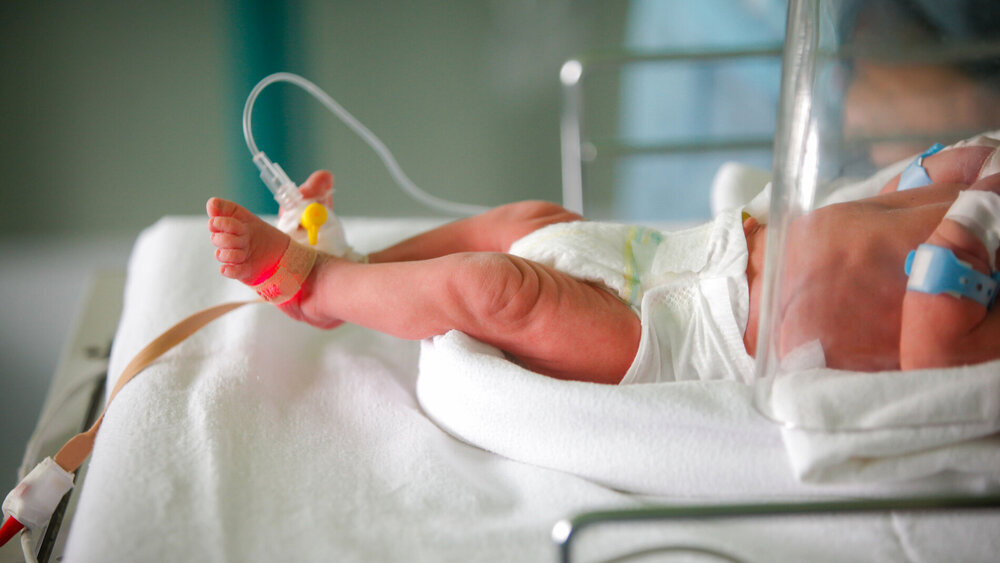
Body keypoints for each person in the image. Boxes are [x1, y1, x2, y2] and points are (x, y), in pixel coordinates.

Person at [207, 141, 1000, 384]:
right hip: (694, 250)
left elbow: (935, 346)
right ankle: (361, 263)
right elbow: (902, 187)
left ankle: (321, 287)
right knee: (526, 222)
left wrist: (978, 214)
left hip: (690, 341)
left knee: (499, 289)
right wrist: (958, 167)